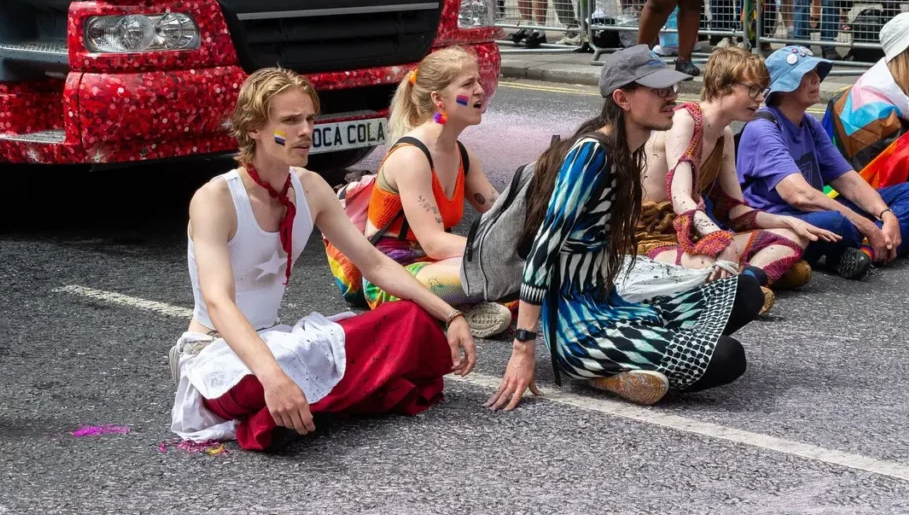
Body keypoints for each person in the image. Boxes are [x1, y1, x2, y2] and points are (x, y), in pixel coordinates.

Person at [170, 67, 476, 451]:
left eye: (309, 119)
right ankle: (294, 397)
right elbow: (218, 302)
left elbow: (375, 264)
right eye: (290, 121)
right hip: (219, 356)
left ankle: (297, 403)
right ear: (253, 129)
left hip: (280, 344)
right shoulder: (215, 199)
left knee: (410, 317)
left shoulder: (311, 187)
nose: (305, 131)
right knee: (282, 373)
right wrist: (274, 378)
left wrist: (451, 315)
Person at [487, 46, 765, 412]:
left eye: (672, 88)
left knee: (746, 291)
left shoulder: (626, 150)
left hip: (616, 303)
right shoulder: (591, 154)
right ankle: (603, 372)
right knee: (728, 357)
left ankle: (647, 356)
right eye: (658, 90)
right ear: (622, 99)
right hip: (582, 328)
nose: (672, 96)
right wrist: (524, 347)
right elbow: (543, 249)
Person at [639, 47, 830, 305]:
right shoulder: (685, 119)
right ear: (720, 85)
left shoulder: (725, 133)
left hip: (689, 234)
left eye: (762, 90)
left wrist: (787, 222)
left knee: (795, 236)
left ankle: (745, 282)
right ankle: (745, 282)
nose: (760, 98)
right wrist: (720, 240)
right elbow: (680, 197)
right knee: (709, 261)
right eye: (752, 89)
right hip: (647, 238)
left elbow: (734, 210)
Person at [737, 47, 909, 281]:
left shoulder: (808, 123)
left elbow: (848, 181)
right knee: (836, 220)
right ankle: (881, 245)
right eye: (807, 74)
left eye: (816, 72)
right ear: (783, 88)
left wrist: (886, 215)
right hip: (781, 222)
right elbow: (799, 196)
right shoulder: (763, 127)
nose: (816, 78)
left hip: (815, 213)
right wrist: (868, 226)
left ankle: (864, 251)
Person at [361, 46, 513, 336]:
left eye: (479, 81)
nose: (481, 90)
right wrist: (501, 253)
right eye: (468, 84)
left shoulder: (461, 153)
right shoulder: (412, 156)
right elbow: (433, 244)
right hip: (395, 276)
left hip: (439, 266)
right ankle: (462, 309)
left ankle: (464, 310)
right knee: (501, 268)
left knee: (525, 266)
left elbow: (500, 213)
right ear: (438, 99)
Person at [824, 12, 909, 236]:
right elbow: (905, 165)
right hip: (856, 195)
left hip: (892, 185)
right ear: (907, 47)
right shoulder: (871, 98)